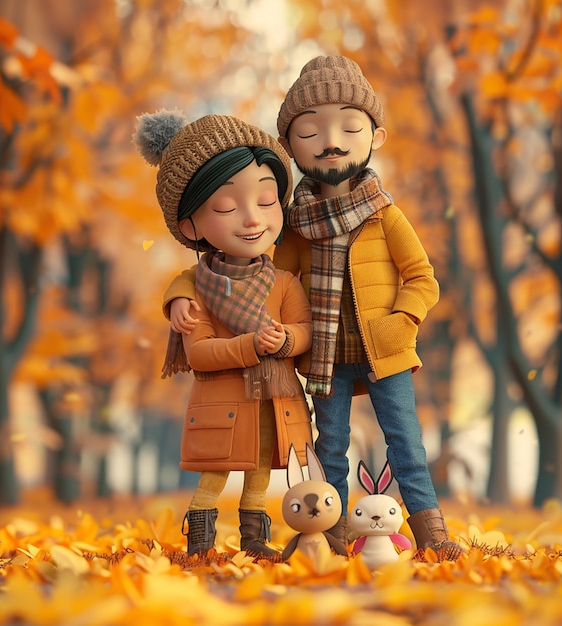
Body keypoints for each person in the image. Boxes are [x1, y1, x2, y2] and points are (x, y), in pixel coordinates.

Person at [165, 56, 462, 560]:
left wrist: (400, 321)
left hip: (385, 352)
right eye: (311, 130)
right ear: (288, 145)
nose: (332, 139)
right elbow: (256, 271)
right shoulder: (296, 222)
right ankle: (328, 535)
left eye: (350, 126)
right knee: (329, 450)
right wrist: (178, 290)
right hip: (324, 357)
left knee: (406, 444)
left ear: (376, 136)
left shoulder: (383, 214)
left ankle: (432, 534)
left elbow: (422, 277)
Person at [133, 111, 313, 559]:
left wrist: (287, 340)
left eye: (267, 200)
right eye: (227, 207)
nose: (252, 219)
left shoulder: (284, 282)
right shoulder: (196, 290)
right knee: (214, 475)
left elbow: (305, 330)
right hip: (226, 404)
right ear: (191, 225)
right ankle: (200, 540)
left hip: (275, 400)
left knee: (260, 474)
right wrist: (252, 344)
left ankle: (254, 539)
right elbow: (201, 354)